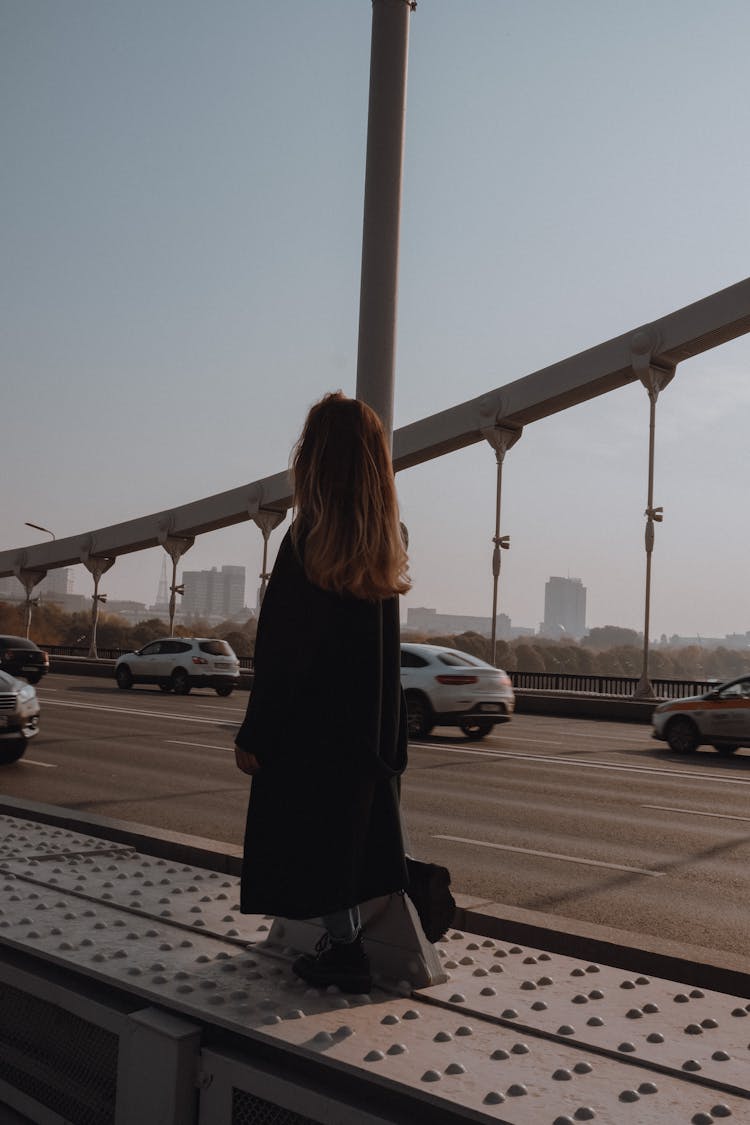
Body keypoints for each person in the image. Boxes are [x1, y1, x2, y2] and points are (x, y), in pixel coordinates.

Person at [234, 391, 411, 993]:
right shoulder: (387, 539)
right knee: (347, 844)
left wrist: (256, 732)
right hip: (366, 731)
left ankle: (345, 951)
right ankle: (347, 948)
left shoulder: (307, 535)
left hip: (311, 731)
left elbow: (284, 649)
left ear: (315, 457)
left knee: (309, 844)